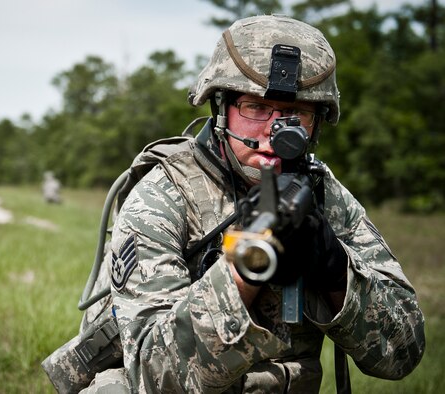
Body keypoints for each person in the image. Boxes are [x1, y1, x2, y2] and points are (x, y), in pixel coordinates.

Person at [85, 15, 425, 392]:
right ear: (222, 107)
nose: (274, 132)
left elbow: (403, 353)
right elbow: (153, 376)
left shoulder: (324, 196)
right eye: (255, 108)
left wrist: (334, 268)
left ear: (316, 123)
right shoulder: (163, 196)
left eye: (296, 115)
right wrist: (245, 268)